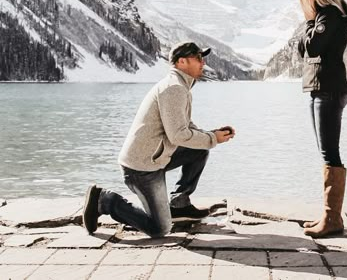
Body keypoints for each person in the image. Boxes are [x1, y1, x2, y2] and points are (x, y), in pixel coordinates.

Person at [82, 41, 236, 237]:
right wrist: (212, 138)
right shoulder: (174, 88)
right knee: (160, 228)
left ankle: (179, 205)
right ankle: (105, 201)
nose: (202, 62)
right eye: (198, 58)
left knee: (199, 149)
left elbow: (185, 126)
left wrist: (210, 135)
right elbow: (178, 135)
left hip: (154, 158)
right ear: (181, 61)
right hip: (142, 168)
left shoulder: (180, 85)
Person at [296, 0, 347, 238]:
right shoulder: (325, 16)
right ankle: (329, 215)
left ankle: (332, 219)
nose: (302, 2)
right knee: (326, 152)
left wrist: (309, 23)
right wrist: (310, 25)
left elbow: (313, 47)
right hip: (322, 89)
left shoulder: (328, 15)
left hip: (327, 89)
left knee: (330, 153)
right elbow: (304, 49)